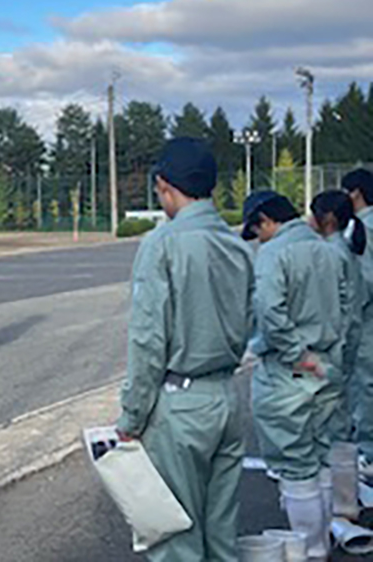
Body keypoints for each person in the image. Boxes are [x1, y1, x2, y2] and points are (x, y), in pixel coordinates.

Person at [117, 137, 255, 562]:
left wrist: (132, 415)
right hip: (227, 397)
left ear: (164, 185)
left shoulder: (163, 243)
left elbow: (147, 340)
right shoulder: (237, 245)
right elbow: (250, 319)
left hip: (180, 402)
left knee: (176, 542)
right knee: (221, 534)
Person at [243, 191, 346, 560]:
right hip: (327, 365)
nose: (259, 239)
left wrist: (295, 354)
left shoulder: (273, 254)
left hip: (291, 371)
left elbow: (270, 311)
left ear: (266, 220)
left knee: (294, 464)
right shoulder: (329, 250)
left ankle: (310, 549)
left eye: (258, 230)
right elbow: (348, 307)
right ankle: (321, 543)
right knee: (319, 457)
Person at [310, 190, 367, 444]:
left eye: (314, 214)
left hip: (334, 343)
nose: (310, 220)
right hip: (349, 338)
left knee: (329, 413)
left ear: (328, 218)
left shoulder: (330, 254)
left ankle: (334, 472)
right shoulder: (345, 250)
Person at [341, 169, 373, 472]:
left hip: (366, 321)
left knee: (365, 385)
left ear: (356, 193)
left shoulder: (363, 227)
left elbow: (364, 280)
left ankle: (367, 452)